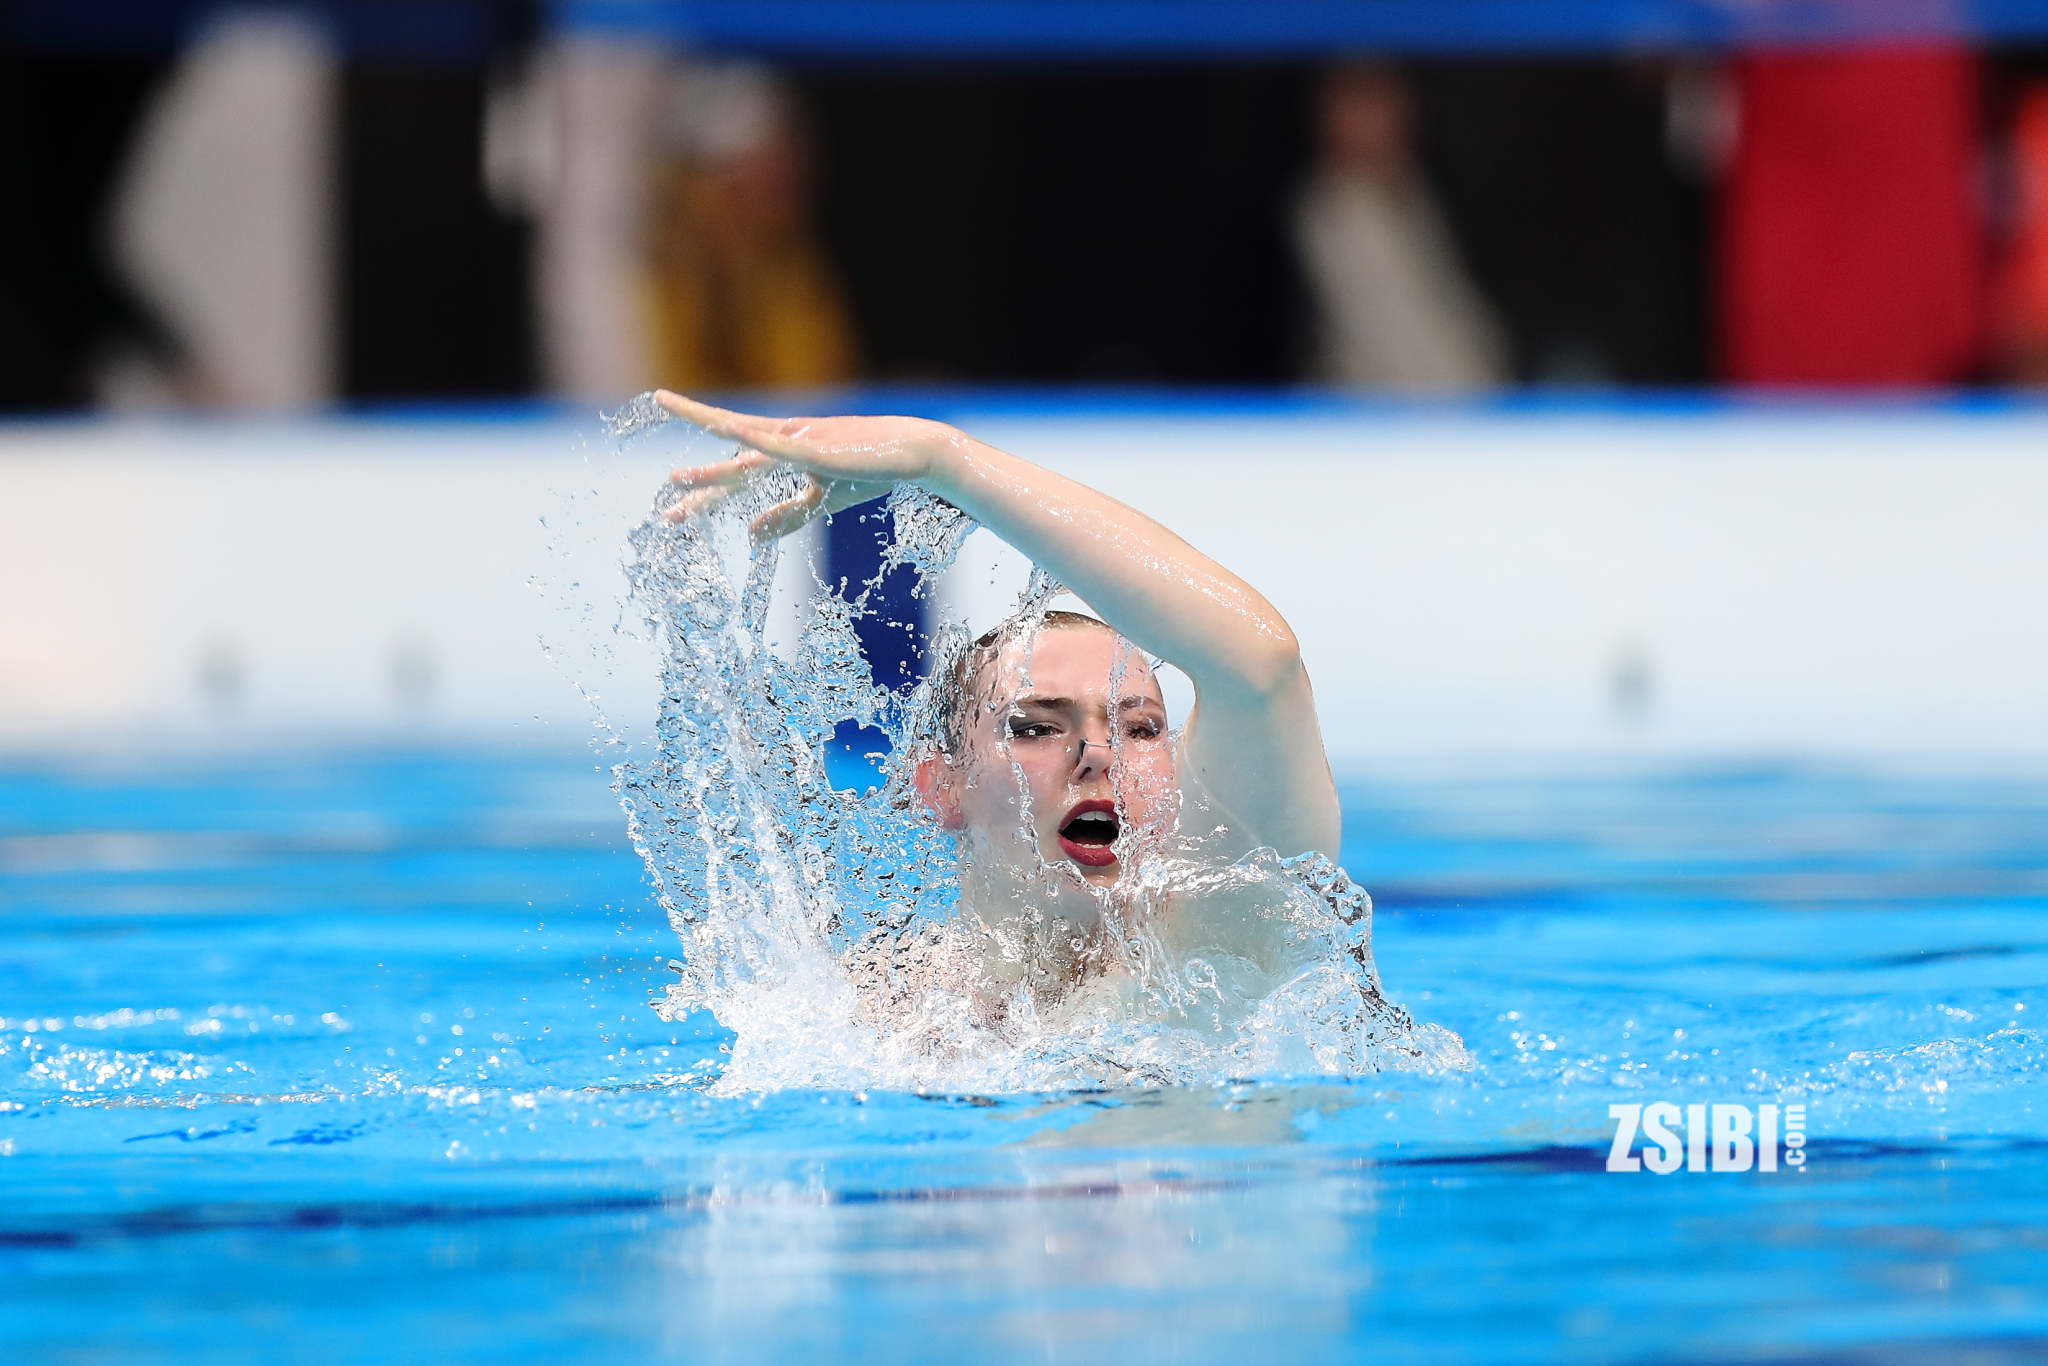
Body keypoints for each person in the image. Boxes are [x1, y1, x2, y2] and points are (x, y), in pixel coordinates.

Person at [655, 390, 1342, 1021]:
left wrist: (944, 463)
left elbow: (1262, 666)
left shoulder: (1225, 937)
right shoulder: (877, 1012)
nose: (1098, 754)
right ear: (939, 786)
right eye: (1036, 727)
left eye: (1140, 728)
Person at [1294, 62, 1507, 390]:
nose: (1388, 118)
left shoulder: (1413, 191)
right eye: (1362, 105)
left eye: (1391, 101)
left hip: (1467, 393)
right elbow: (1397, 345)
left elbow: (1459, 311)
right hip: (1382, 406)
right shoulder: (1332, 210)